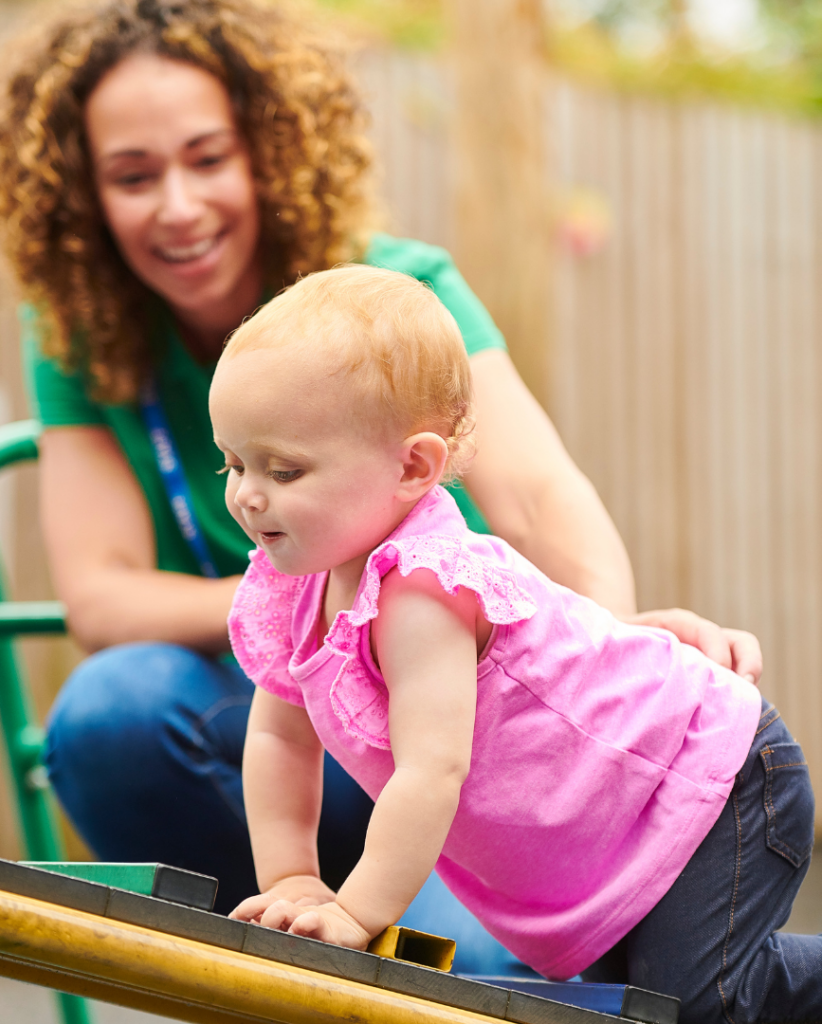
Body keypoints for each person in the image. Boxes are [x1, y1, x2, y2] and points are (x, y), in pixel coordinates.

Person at [0, 0, 761, 970]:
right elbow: (101, 597)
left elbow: (537, 499)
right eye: (133, 176)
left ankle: (414, 919)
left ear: (267, 150)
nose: (177, 205)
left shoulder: (398, 293)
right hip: (285, 727)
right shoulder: (89, 339)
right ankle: (294, 935)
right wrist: (320, 618)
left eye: (208, 157)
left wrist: (597, 641)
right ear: (83, 193)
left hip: (457, 724)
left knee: (467, 975)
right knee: (108, 715)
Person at [219, 266, 818, 1023]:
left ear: (412, 467)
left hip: (708, 782)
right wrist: (293, 879)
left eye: (284, 469)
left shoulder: (424, 587)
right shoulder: (295, 585)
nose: (247, 494)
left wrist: (355, 909)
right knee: (629, 1009)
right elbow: (278, 736)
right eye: (233, 462)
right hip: (606, 835)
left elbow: (432, 769)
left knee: (698, 1008)